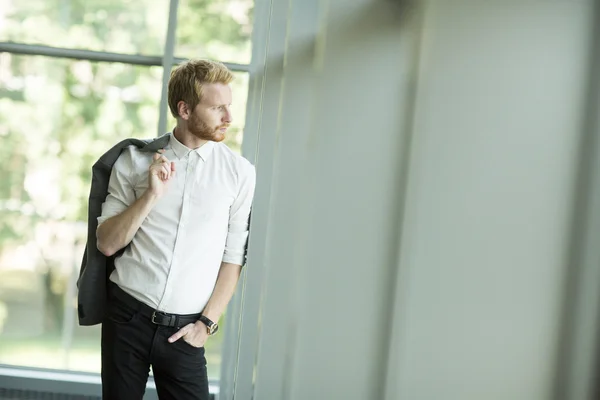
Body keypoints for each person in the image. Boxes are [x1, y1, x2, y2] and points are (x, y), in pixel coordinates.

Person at [95, 59, 256, 400]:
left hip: (187, 330)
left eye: (229, 107)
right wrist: (151, 196)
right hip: (127, 317)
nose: (228, 118)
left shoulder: (239, 173)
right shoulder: (136, 160)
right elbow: (107, 244)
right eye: (217, 108)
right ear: (184, 109)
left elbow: (233, 257)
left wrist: (207, 324)